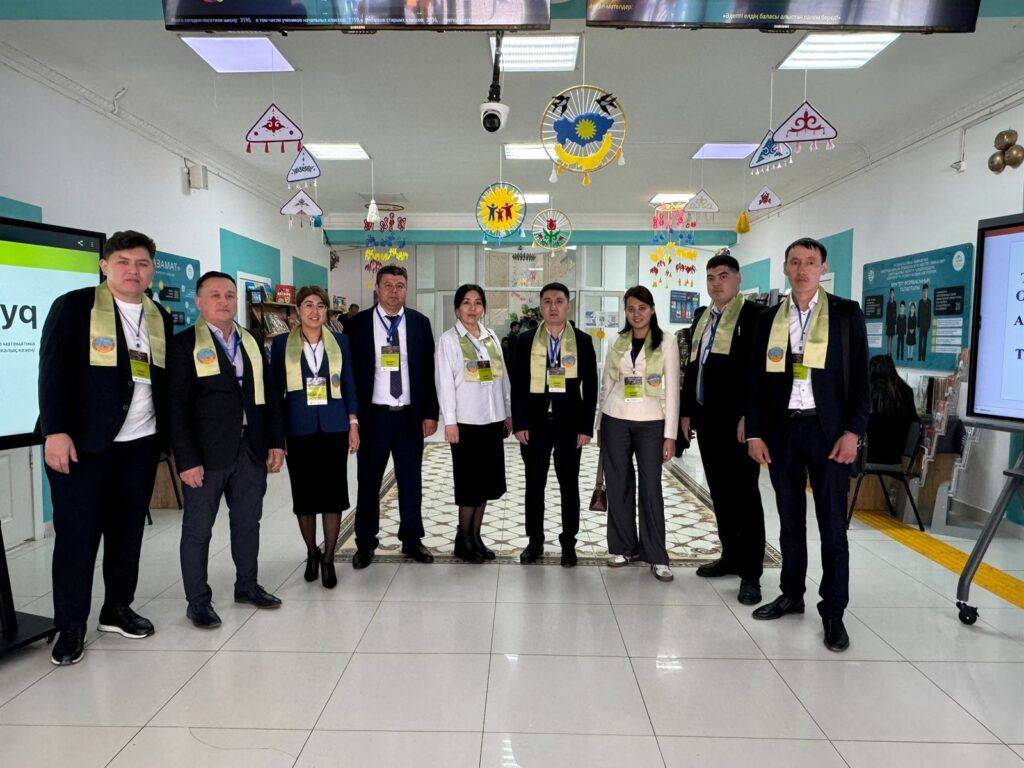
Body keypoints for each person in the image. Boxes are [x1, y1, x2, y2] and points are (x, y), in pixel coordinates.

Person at [37, 230, 173, 665]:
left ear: (152, 270)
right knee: (77, 538)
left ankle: (116, 608)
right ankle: (70, 625)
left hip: (140, 445)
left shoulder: (159, 315)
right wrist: (55, 431)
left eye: (142, 263)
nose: (133, 271)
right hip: (83, 445)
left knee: (127, 533)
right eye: (123, 262)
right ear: (104, 266)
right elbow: (52, 372)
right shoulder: (75, 307)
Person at [746, 237, 869, 653]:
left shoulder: (845, 314)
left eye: (810, 262)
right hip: (783, 432)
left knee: (832, 525)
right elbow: (756, 381)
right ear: (785, 268)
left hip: (829, 433)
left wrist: (853, 432)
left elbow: (862, 380)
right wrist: (755, 432)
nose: (802, 270)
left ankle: (833, 610)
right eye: (795, 262)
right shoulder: (769, 318)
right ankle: (791, 593)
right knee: (789, 519)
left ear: (823, 268)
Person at [169, 271, 285, 629]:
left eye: (230, 295)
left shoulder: (251, 340)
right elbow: (175, 409)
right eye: (215, 295)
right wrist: (186, 459)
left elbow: (269, 396)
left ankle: (246, 586)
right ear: (199, 302)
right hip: (206, 456)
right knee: (198, 529)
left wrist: (275, 441)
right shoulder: (183, 345)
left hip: (250, 449)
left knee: (248, 522)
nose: (224, 301)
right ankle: (198, 601)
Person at [680, 249, 766, 604]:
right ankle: (730, 555)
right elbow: (693, 367)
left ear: (738, 279)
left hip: (739, 423)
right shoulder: (703, 317)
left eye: (724, 277)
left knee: (745, 494)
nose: (717, 284)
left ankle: (752, 573)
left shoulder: (756, 317)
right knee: (720, 491)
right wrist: (686, 411)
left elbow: (761, 373)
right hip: (707, 420)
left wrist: (751, 415)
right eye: (711, 278)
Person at [345, 265, 439, 568]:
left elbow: (428, 372)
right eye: (388, 285)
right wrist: (353, 419)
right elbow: (350, 375)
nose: (394, 291)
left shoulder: (419, 323)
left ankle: (412, 539)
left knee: (411, 481)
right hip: (374, 417)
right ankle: (365, 542)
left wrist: (430, 413)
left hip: (409, 417)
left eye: (400, 285)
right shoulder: (357, 325)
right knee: (369, 481)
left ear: (406, 289)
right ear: (377, 288)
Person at [270, 286, 359, 589]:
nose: (314, 311)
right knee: (305, 496)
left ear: (326, 311)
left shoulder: (341, 342)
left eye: (320, 306)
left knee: (333, 494)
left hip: (334, 427)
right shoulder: (281, 344)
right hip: (298, 429)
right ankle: (312, 552)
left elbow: (349, 384)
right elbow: (275, 393)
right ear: (297, 310)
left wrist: (354, 423)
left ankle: (329, 558)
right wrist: (277, 435)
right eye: (308, 305)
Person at [511, 282, 598, 566]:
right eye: (547, 301)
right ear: (540, 306)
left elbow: (591, 387)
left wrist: (586, 427)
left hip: (569, 426)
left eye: (559, 301)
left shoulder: (582, 341)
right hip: (535, 425)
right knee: (534, 485)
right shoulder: (526, 340)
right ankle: (534, 541)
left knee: (569, 486)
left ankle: (568, 543)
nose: (553, 307)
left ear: (568, 305)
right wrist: (520, 423)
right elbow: (518, 385)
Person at [600, 286, 679, 581]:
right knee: (618, 484)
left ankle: (656, 554)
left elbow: (672, 390)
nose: (636, 314)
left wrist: (670, 435)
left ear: (652, 310)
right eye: (631, 309)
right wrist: (600, 423)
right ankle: (622, 547)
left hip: (651, 422)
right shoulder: (616, 340)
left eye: (642, 308)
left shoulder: (666, 341)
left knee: (651, 486)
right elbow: (607, 383)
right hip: (616, 418)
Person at [435, 285, 512, 563]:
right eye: (466, 303)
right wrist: (450, 422)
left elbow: (503, 378)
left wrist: (507, 411)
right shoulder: (449, 340)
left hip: (492, 420)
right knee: (469, 485)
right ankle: (463, 539)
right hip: (466, 423)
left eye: (478, 303)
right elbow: (444, 383)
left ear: (484, 308)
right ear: (457, 308)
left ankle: (476, 536)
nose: (472, 308)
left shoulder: (490, 337)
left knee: (486, 484)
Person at [866, 354, 919, 465]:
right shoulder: (906, 391)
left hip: (866, 456)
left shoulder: (865, 393)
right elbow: (914, 421)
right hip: (895, 456)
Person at [917, 284, 932, 361]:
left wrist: (929, 326)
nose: (925, 292)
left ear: (927, 291)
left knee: (925, 341)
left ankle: (923, 357)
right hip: (921, 325)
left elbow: (929, 314)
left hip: (926, 325)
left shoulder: (929, 301)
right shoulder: (920, 302)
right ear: (922, 292)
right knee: (920, 341)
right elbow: (918, 314)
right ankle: (919, 356)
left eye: (926, 291)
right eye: (924, 291)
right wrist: (918, 325)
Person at [884, 288, 896, 357]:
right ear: (889, 294)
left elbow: (895, 313)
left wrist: (895, 324)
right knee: (888, 338)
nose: (892, 294)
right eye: (891, 293)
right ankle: (888, 352)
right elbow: (887, 314)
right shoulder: (888, 303)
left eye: (893, 293)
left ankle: (890, 352)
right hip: (889, 323)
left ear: (894, 295)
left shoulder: (895, 303)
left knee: (892, 338)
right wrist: (886, 324)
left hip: (893, 323)